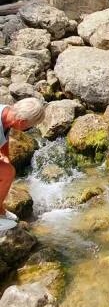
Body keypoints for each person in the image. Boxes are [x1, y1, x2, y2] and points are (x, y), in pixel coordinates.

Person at [0, 98, 46, 231]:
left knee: (8, 169)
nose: (28, 129)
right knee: (7, 173)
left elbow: (4, 137)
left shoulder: (5, 112)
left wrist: (6, 157)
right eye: (29, 127)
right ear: (21, 122)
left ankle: (0, 211)